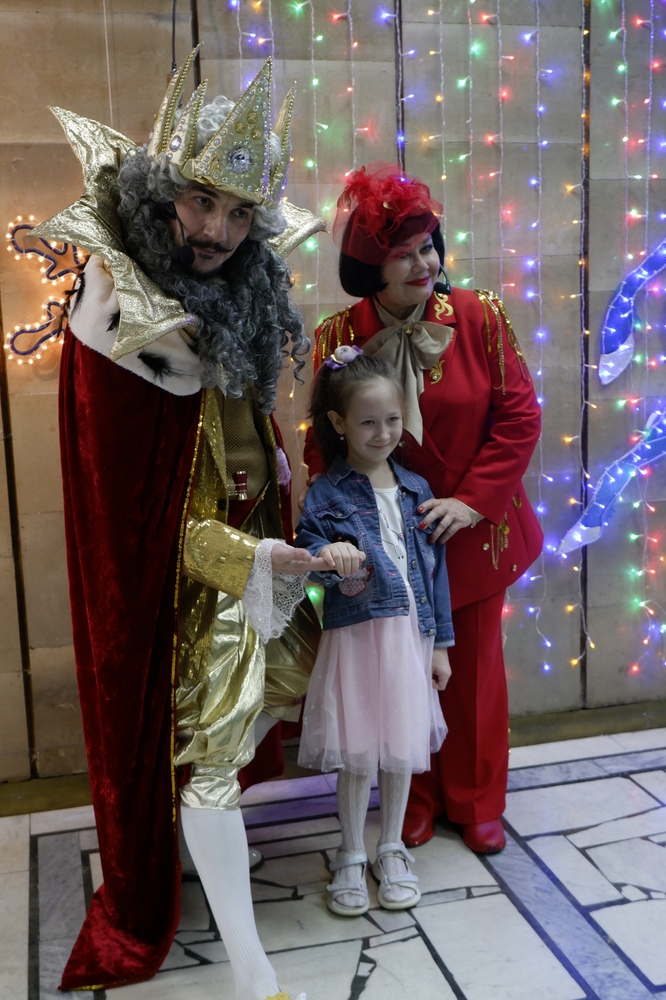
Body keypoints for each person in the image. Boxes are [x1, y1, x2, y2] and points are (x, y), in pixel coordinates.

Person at [32, 50, 336, 1000]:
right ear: (164, 191)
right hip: (193, 583)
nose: (218, 231)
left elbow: (243, 441)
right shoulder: (118, 320)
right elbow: (138, 525)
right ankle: (249, 968)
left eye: (241, 213)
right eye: (203, 201)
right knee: (205, 751)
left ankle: (219, 858)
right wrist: (257, 553)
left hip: (247, 567)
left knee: (242, 728)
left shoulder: (240, 295)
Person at [303, 162, 543, 855]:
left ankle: (476, 799)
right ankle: (414, 798)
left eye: (429, 247)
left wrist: (470, 504)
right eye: (404, 253)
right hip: (383, 539)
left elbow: (520, 418)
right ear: (370, 267)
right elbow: (323, 446)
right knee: (396, 673)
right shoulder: (336, 336)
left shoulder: (479, 315)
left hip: (471, 531)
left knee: (472, 676)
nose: (425, 263)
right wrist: (345, 533)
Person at [295, 349, 454, 914]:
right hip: (359, 637)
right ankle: (350, 852)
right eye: (368, 422)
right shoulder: (326, 492)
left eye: (392, 419)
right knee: (359, 748)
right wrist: (327, 553)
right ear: (338, 423)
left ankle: (391, 848)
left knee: (401, 742)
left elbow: (435, 574)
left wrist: (440, 646)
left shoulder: (415, 487)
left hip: (410, 636)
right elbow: (308, 548)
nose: (383, 433)